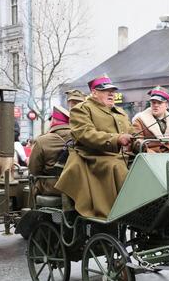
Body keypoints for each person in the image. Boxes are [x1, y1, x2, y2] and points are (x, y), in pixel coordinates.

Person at [55, 74, 135, 219]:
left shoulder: (120, 112)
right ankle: (116, 212)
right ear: (94, 92)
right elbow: (85, 133)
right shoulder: (82, 109)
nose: (111, 93)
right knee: (115, 165)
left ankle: (146, 205)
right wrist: (117, 139)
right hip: (91, 157)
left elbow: (132, 132)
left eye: (113, 90)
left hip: (119, 156)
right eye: (106, 90)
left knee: (143, 164)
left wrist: (140, 141)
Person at [28, 106, 72, 195]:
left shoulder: (42, 140)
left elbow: (33, 169)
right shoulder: (79, 137)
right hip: (76, 187)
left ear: (54, 120)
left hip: (52, 188)